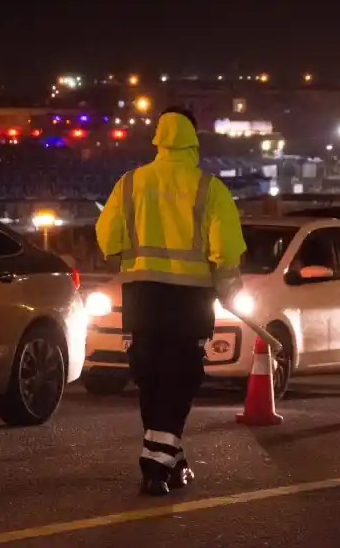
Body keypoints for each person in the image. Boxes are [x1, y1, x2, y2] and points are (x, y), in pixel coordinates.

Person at [95, 107, 247, 496]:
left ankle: (172, 461)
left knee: (151, 377)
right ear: (193, 139)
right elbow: (226, 249)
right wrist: (227, 288)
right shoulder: (208, 187)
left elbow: (107, 237)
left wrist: (129, 261)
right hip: (190, 298)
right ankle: (157, 464)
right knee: (180, 379)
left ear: (158, 139)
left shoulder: (130, 183)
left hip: (142, 295)